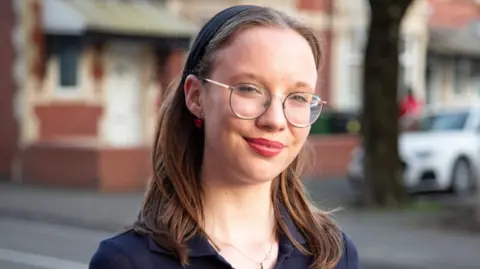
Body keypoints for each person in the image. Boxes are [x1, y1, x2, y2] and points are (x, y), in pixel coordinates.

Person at [89, 5, 359, 269]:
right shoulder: (129, 262)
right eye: (249, 89)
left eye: (299, 97)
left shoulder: (333, 254)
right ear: (196, 96)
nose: (275, 120)